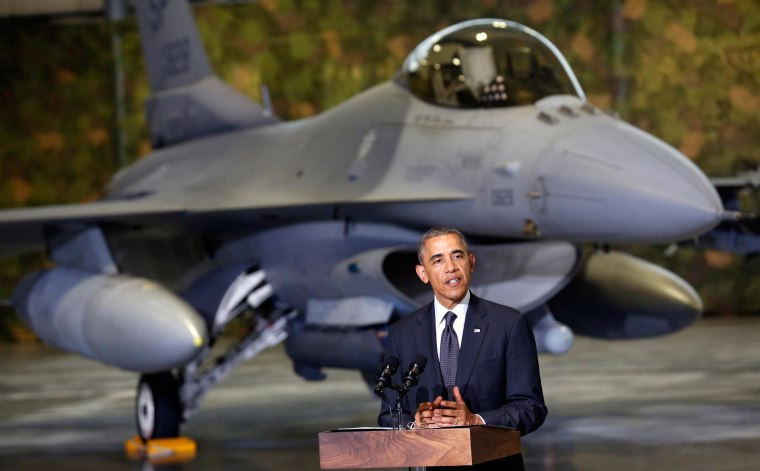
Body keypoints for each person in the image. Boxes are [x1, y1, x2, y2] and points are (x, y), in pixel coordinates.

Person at [377, 226, 547, 470]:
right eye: (438, 260)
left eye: (457, 256)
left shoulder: (508, 324)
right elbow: (387, 414)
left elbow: (531, 407)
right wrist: (415, 425)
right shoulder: (402, 332)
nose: (451, 267)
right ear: (422, 273)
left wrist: (477, 421)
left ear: (471, 262)